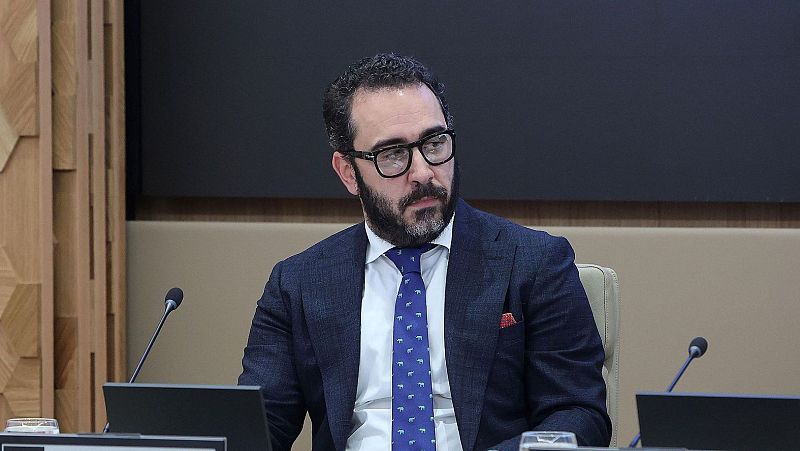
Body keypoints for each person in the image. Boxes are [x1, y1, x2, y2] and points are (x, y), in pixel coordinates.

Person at [239, 53, 611, 451]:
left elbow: (578, 414)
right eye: (393, 154)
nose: (423, 172)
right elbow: (258, 427)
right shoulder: (299, 283)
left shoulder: (534, 263)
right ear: (348, 172)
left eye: (434, 143)